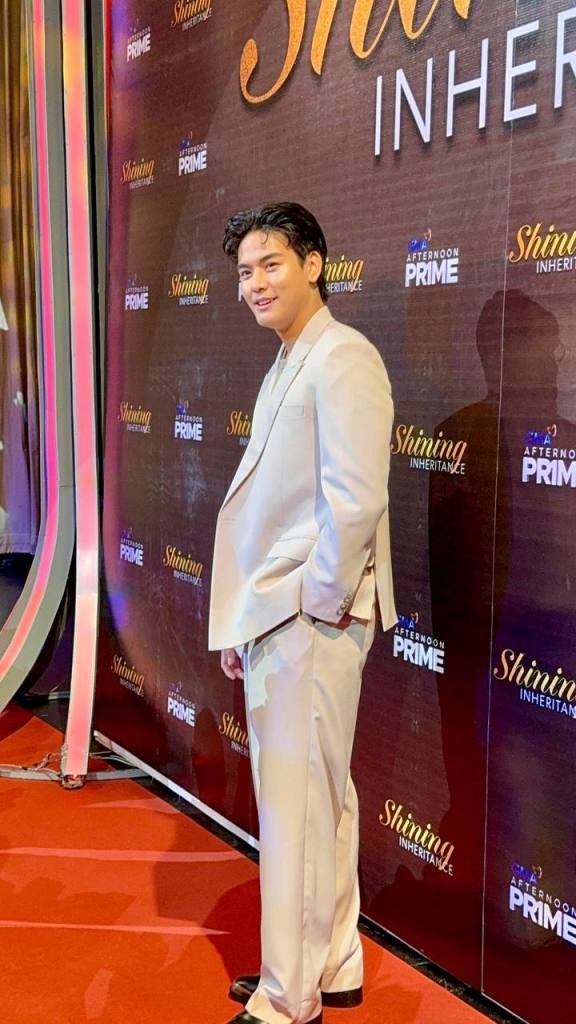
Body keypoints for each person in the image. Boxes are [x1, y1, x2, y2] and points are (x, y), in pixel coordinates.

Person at [208, 202, 396, 1024]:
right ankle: (335, 961)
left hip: (311, 618)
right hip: (279, 614)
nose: (254, 283)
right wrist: (248, 619)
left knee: (298, 810)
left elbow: (355, 501)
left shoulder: (342, 356)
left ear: (313, 263)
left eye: (270, 264)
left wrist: (310, 609)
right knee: (322, 799)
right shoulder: (290, 358)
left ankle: (288, 999)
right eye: (244, 271)